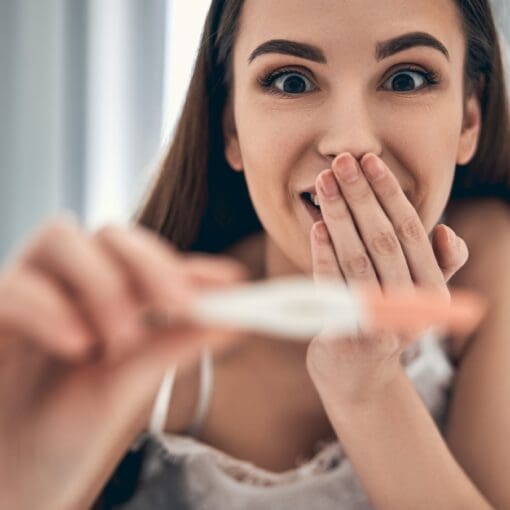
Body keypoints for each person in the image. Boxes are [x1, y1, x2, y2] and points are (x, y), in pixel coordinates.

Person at [1, 0, 510, 508]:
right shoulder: (153, 350)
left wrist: (366, 388)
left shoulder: (490, 261)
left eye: (407, 79)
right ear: (231, 129)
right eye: (291, 81)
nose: (350, 141)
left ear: (470, 119)